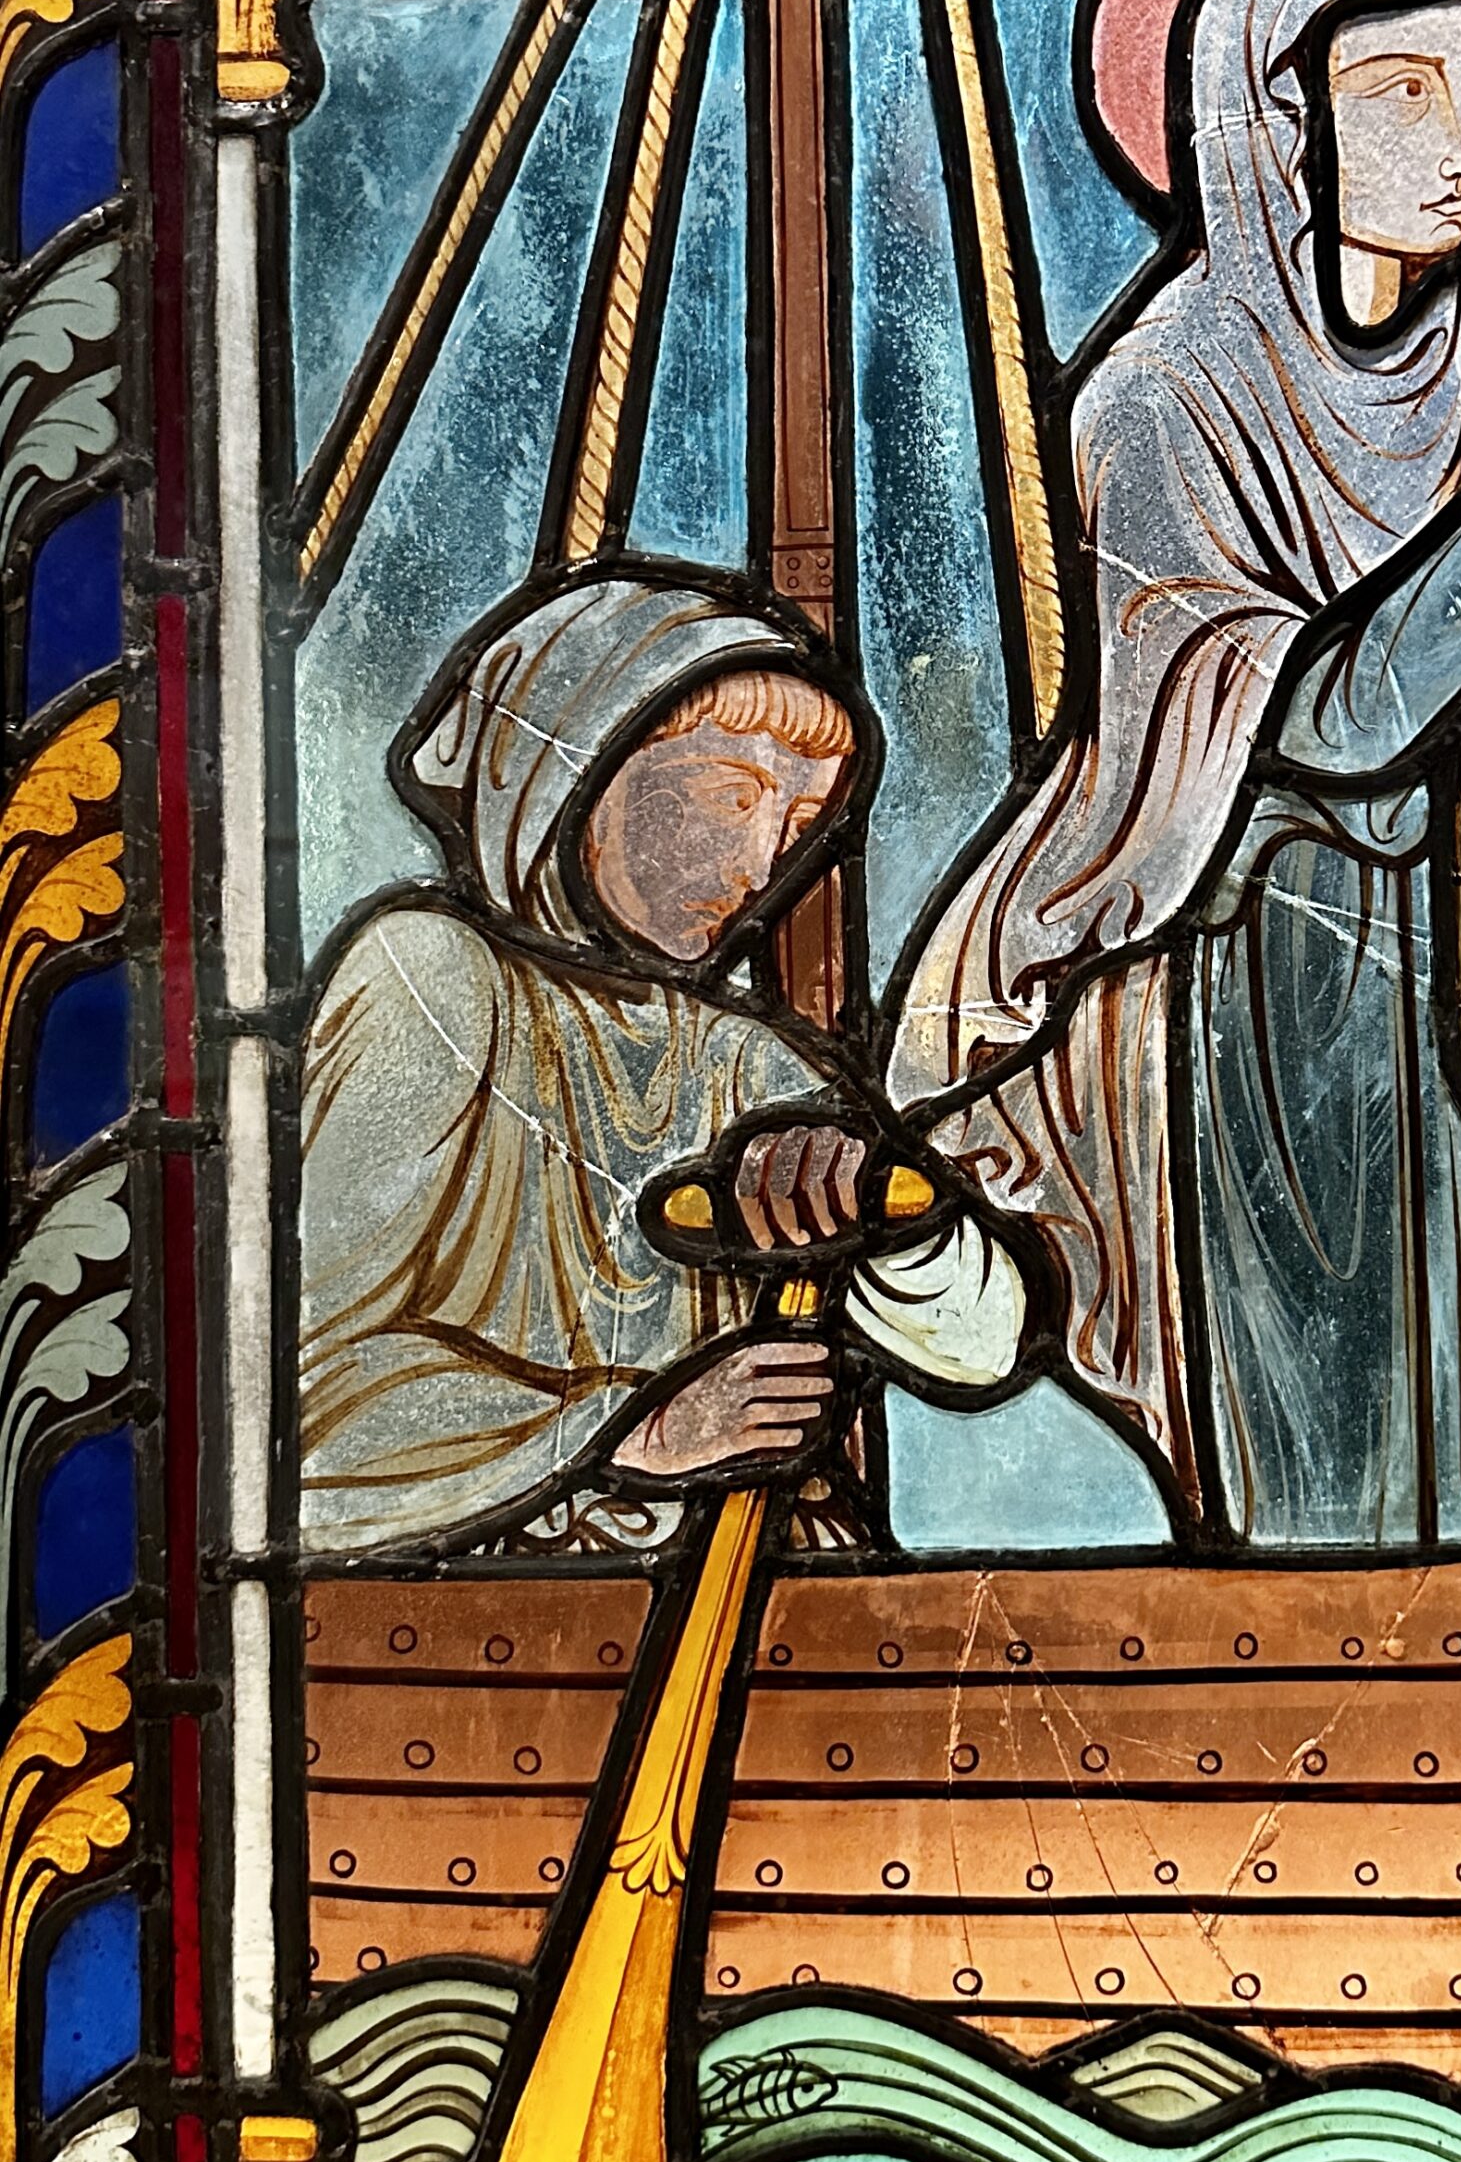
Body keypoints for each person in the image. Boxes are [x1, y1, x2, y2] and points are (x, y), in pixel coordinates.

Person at [887, 0, 1461, 1549]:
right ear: (1275, 125)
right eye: (1402, 90)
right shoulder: (1164, 400)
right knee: (1329, 1483)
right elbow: (1322, 725)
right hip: (1274, 1001)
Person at [299, 576, 1025, 1557]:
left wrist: (888, 1226)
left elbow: (985, 1349)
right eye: (730, 796)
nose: (761, 866)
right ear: (575, 776)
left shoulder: (735, 1056)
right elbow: (302, 1405)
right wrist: (635, 1430)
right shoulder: (432, 975)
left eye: (797, 821)